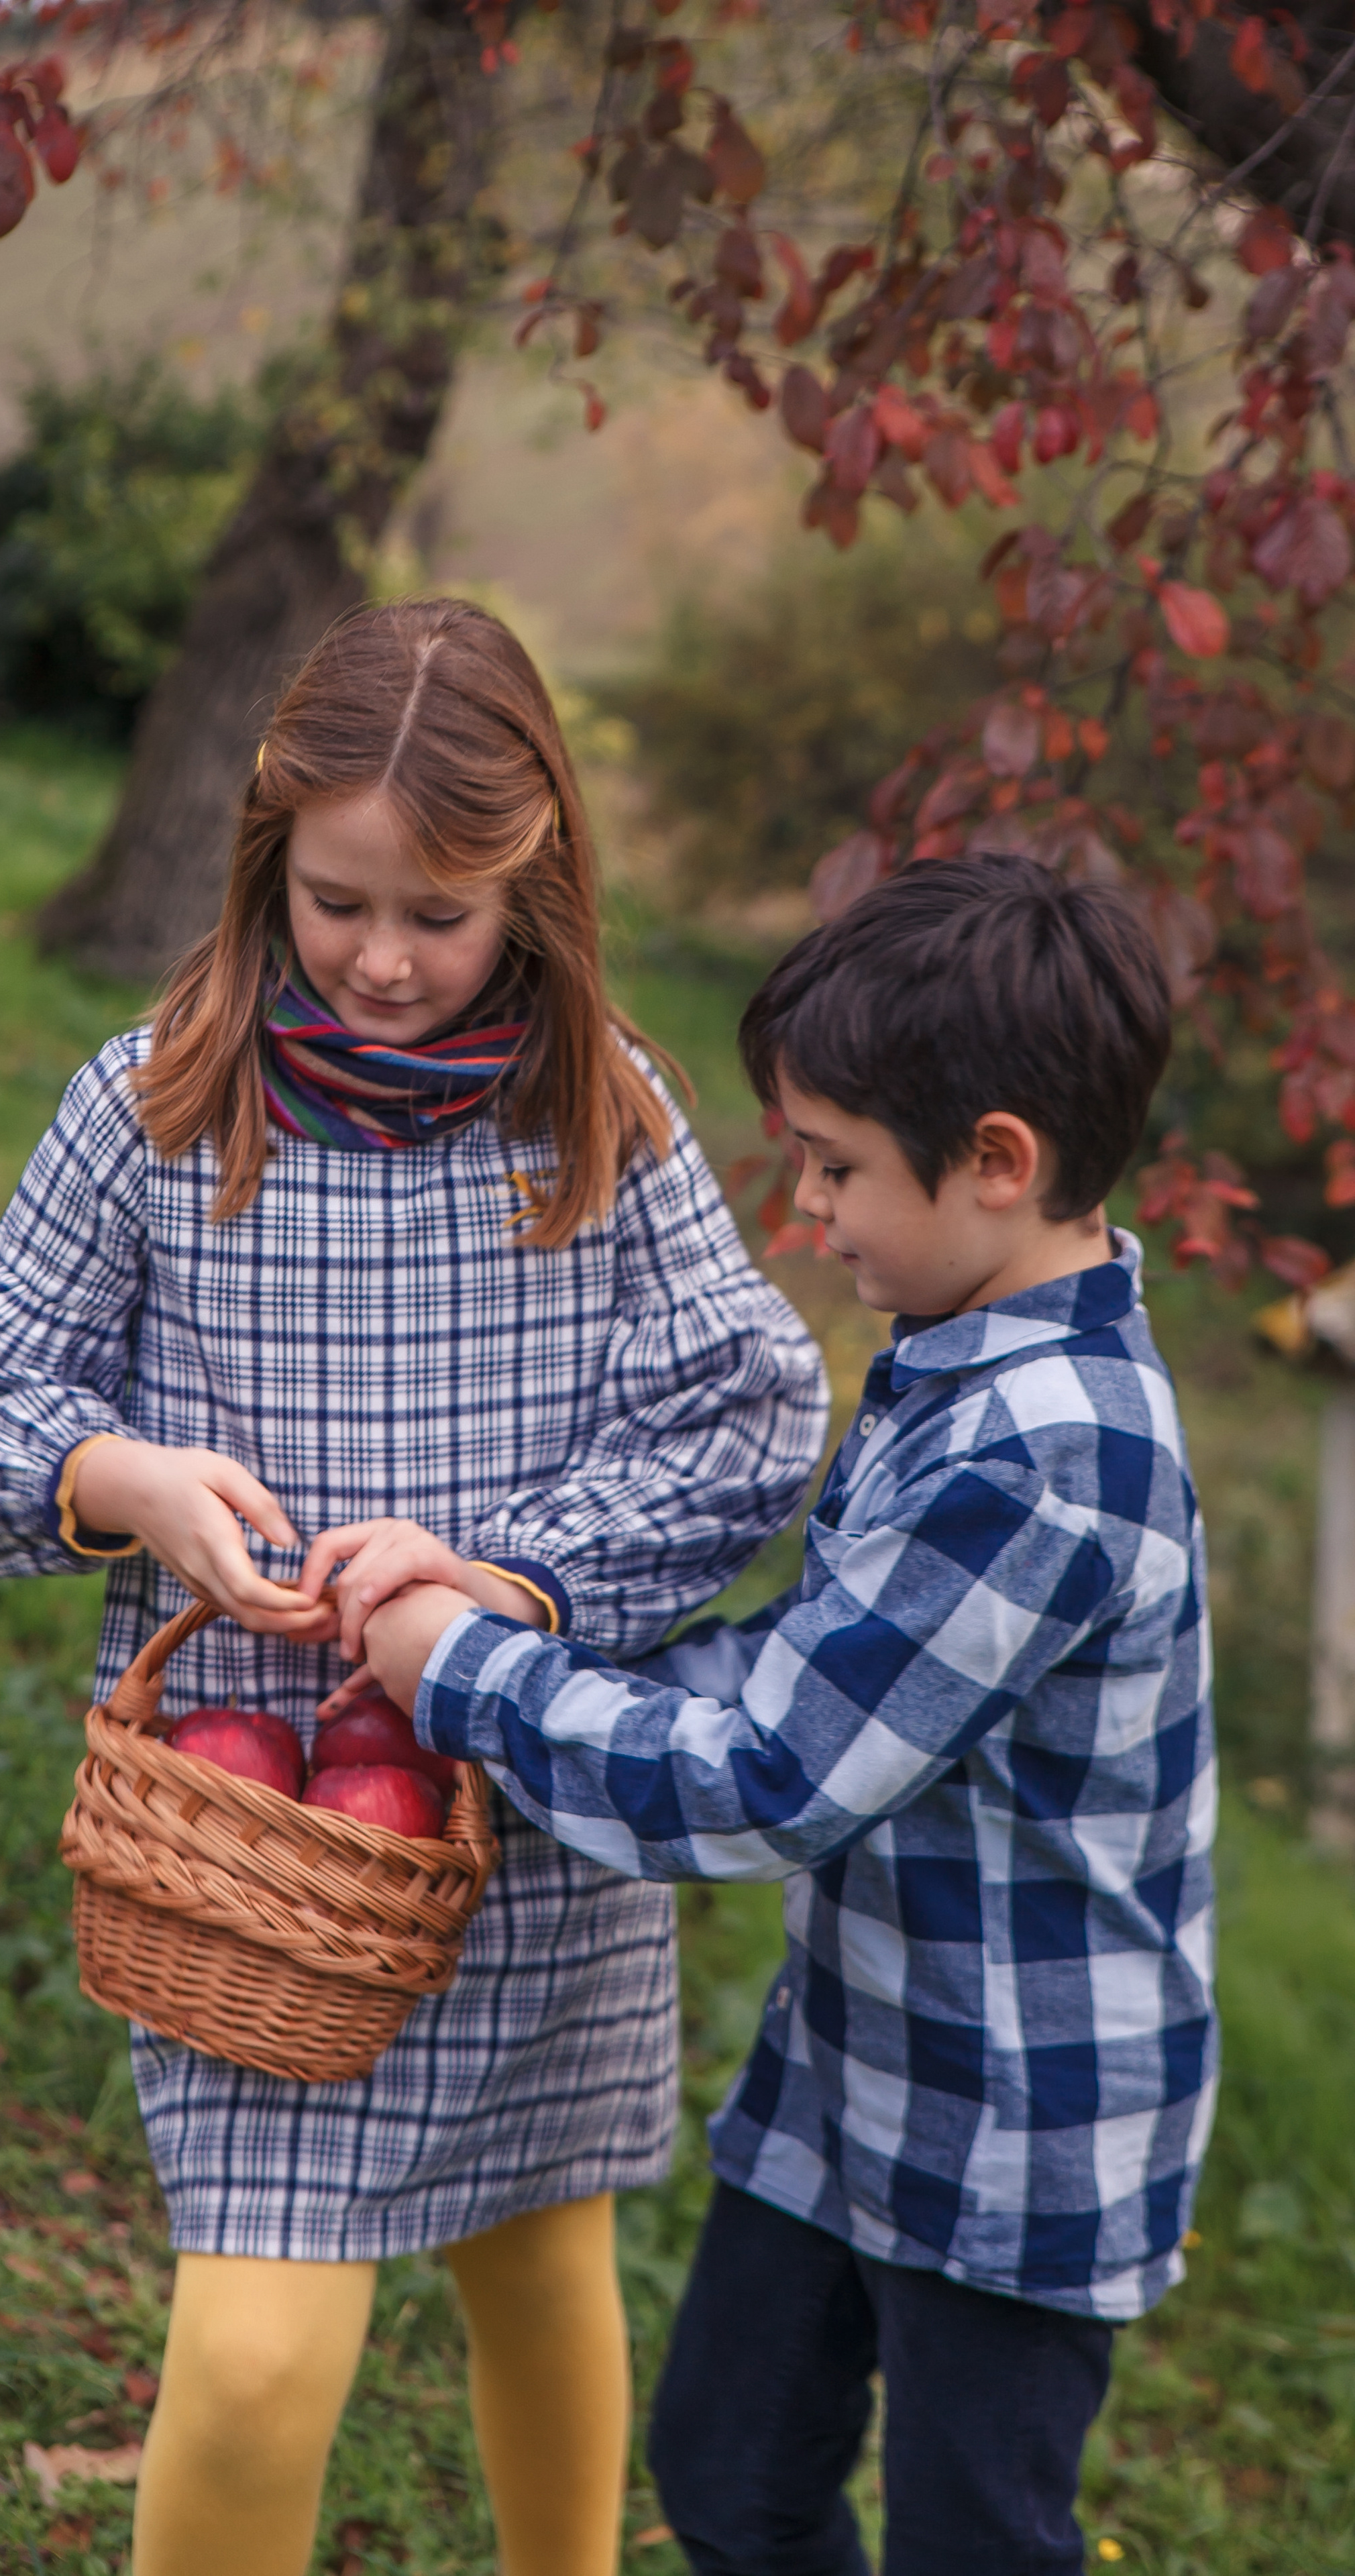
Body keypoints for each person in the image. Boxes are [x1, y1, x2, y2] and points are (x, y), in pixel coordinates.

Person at [0, 596, 830, 2576]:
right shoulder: (159, 1101)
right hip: (251, 1863)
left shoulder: (603, 1115)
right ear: (267, 857)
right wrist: (121, 1480)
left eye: (441, 915)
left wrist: (504, 1580)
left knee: (540, 2265)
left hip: (522, 1820)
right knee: (253, 2361)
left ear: (536, 885)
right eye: (337, 904)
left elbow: (750, 1421)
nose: (385, 960)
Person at [360, 855, 1218, 2576]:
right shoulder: (959, 1358)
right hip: (855, 2065)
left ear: (995, 1163)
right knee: (728, 2470)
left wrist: (459, 1674)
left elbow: (769, 1778)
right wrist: (512, 1634)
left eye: (834, 1166)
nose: (807, 1209)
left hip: (1014, 2121)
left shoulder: (1047, 1456)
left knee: (973, 2538)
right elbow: (797, 1669)